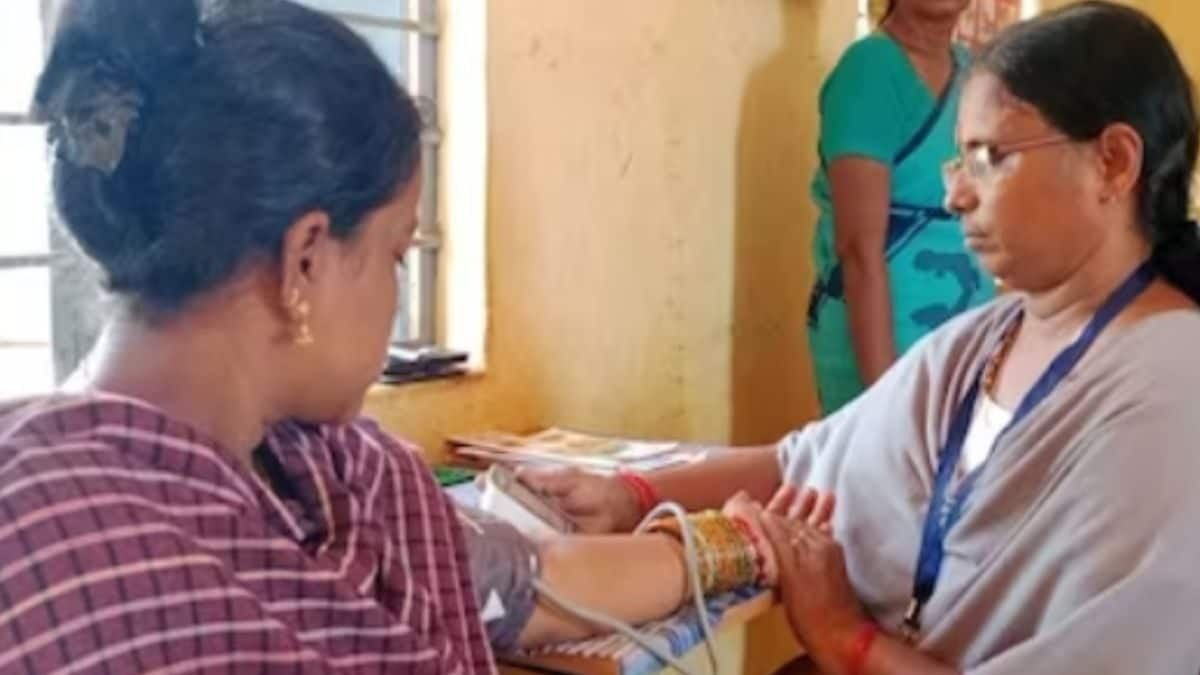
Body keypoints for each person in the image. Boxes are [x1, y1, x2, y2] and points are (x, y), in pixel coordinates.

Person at [0, 1, 822, 671]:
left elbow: (527, 584)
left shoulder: (335, 473)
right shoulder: (43, 542)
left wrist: (744, 543)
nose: (397, 291)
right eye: (397, 250)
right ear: (306, 259)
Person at [525, 3, 1200, 672]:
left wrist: (847, 637)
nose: (955, 197)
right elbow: (802, 462)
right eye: (955, 163)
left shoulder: (1170, 390)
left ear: (1113, 161)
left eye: (989, 158)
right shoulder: (979, 345)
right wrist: (630, 495)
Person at [808, 0, 994, 413]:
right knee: (883, 469)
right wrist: (884, 401)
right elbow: (858, 250)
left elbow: (987, 193)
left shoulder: (974, 76)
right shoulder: (869, 71)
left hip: (965, 329)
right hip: (882, 338)